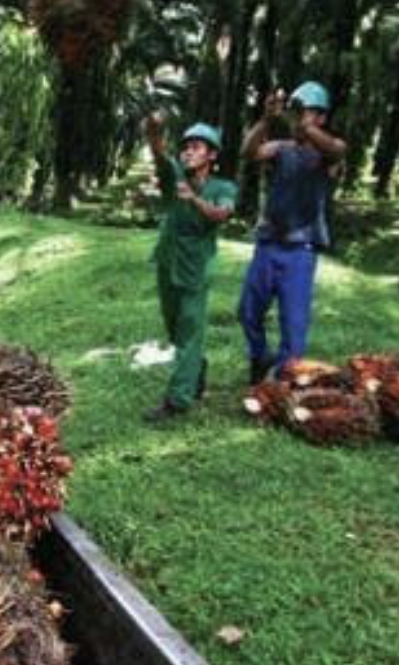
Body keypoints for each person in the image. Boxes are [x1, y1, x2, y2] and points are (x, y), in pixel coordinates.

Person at [238, 81, 347, 384]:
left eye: (306, 111)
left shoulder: (329, 152)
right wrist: (266, 120)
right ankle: (260, 357)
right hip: (268, 243)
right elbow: (248, 152)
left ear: (321, 117)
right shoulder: (282, 148)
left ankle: (284, 385)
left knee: (293, 326)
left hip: (301, 250)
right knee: (248, 312)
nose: (298, 116)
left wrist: (304, 126)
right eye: (296, 110)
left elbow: (336, 151)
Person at [142, 112, 237, 423]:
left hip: (196, 267)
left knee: (189, 329)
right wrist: (153, 131)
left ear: (212, 155)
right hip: (168, 261)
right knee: (175, 329)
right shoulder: (175, 176)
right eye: (185, 147)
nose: (188, 152)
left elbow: (221, 214)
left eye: (196, 147)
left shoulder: (223, 187)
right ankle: (196, 367)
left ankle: (178, 400)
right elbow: (159, 153)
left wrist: (194, 200)